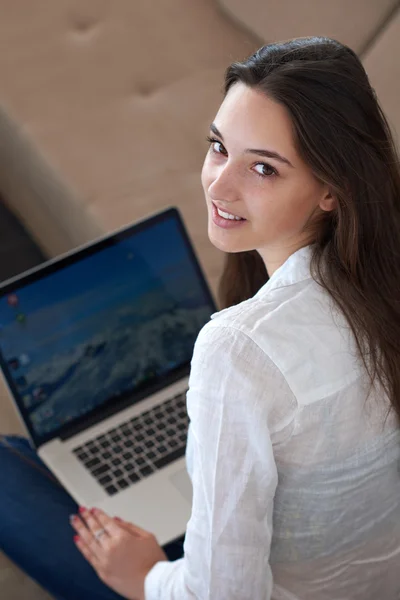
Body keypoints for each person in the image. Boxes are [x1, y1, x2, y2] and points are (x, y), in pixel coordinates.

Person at [1, 35, 400, 600]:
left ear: (332, 191)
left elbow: (223, 594)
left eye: (263, 168)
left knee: (7, 466)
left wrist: (144, 576)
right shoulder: (382, 283)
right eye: (219, 146)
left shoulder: (238, 349)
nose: (220, 183)